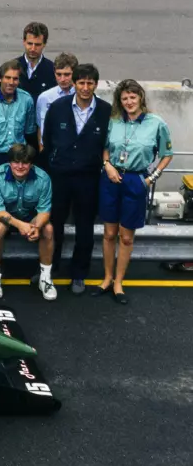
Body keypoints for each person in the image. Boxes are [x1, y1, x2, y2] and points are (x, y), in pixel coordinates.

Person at [94, 80, 173, 305]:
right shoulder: (114, 122)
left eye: (133, 97)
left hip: (136, 180)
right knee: (109, 234)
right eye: (124, 98)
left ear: (141, 98)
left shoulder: (156, 123)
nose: (129, 102)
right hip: (111, 178)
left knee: (126, 237)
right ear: (120, 100)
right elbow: (104, 146)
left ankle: (119, 282)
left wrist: (150, 179)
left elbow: (167, 153)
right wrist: (107, 164)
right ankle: (107, 278)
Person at [42, 63, 111, 295]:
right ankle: (49, 269)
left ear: (95, 84)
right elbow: (48, 139)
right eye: (81, 82)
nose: (85, 87)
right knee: (55, 224)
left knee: (85, 228)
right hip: (59, 176)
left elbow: (107, 145)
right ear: (74, 83)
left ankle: (79, 274)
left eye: (89, 83)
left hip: (88, 179)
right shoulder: (58, 107)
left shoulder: (105, 111)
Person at [0, 145, 56, 300]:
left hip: (31, 219)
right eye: (16, 162)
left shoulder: (43, 178)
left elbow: (44, 211)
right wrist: (20, 225)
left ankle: (45, 278)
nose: (20, 166)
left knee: (48, 229)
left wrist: (36, 227)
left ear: (31, 164)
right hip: (7, 218)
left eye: (25, 163)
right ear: (10, 162)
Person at [35, 52, 78, 147]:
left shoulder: (83, 97)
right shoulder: (44, 97)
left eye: (67, 75)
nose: (62, 79)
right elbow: (40, 127)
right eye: (59, 74)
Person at [16, 22, 56, 102]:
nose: (33, 48)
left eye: (37, 45)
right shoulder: (12, 68)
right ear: (24, 42)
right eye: (30, 44)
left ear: (44, 44)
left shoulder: (53, 70)